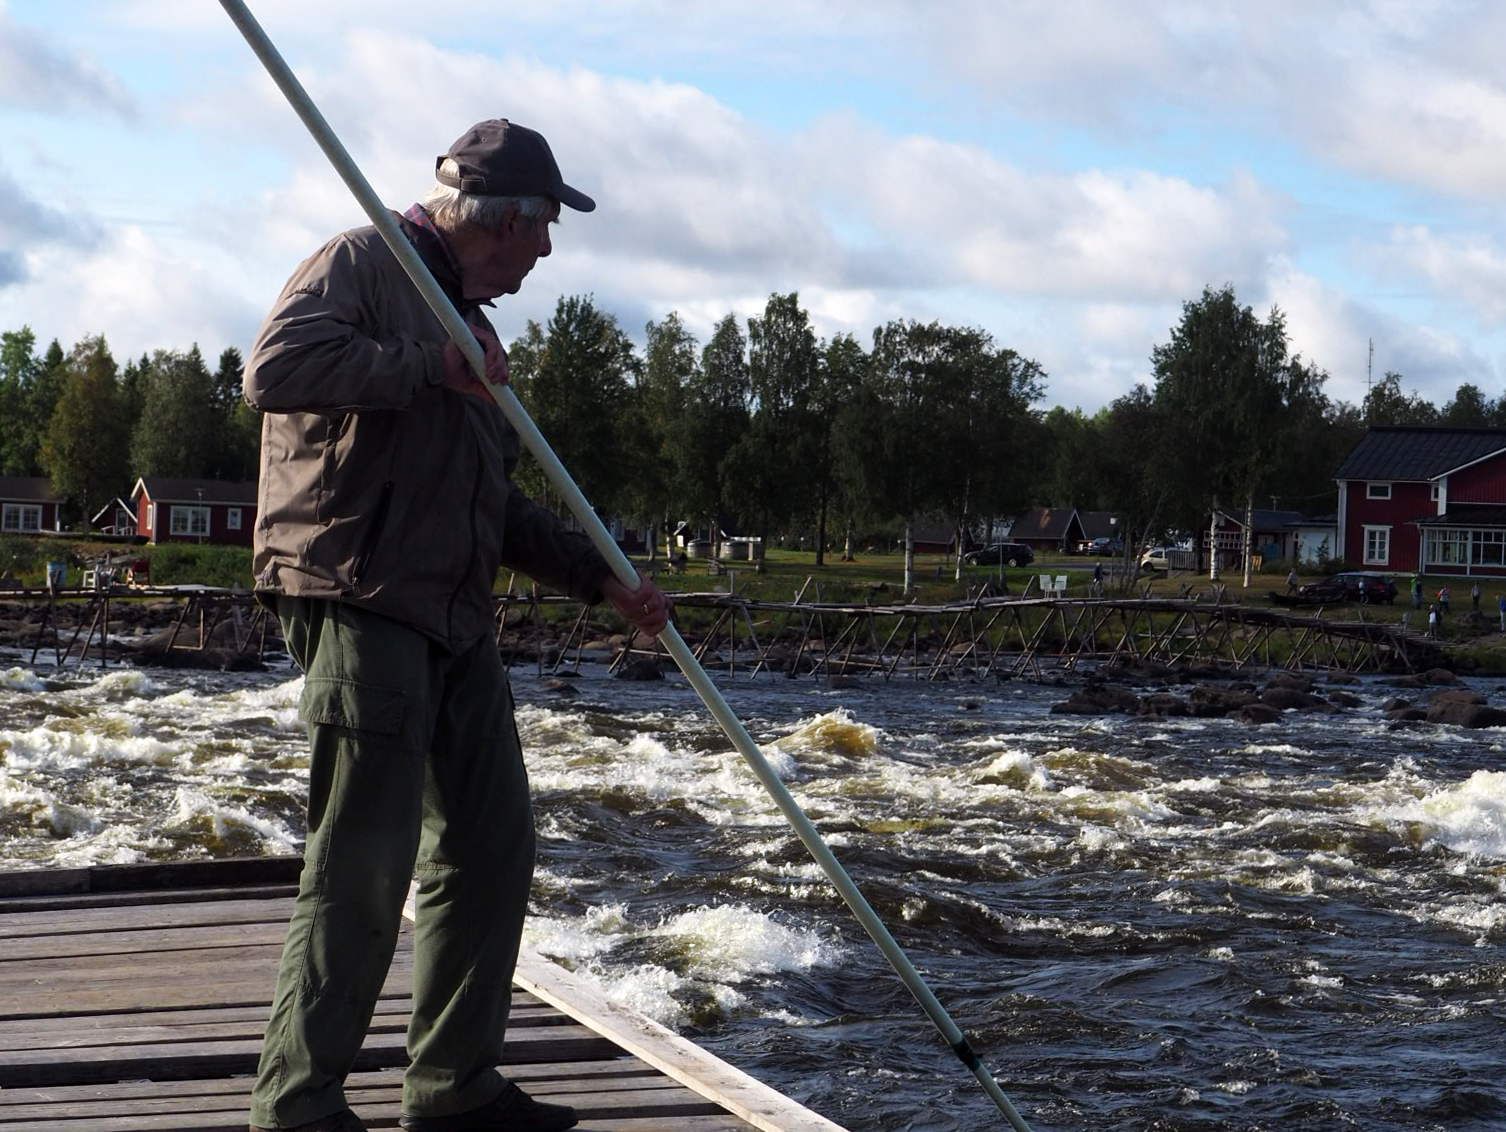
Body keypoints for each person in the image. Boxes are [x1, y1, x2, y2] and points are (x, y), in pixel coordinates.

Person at [243, 119, 670, 1132]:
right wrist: (429, 365)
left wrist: (598, 576)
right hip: (358, 592)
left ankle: (452, 1088)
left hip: (452, 612)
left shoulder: (472, 326)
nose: (551, 252)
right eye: (544, 228)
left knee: (491, 840)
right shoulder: (365, 265)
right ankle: (296, 1106)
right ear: (503, 221)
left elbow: (493, 501)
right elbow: (276, 368)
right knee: (363, 860)